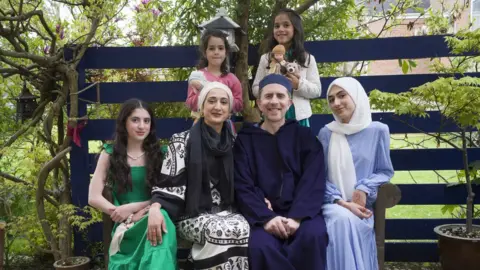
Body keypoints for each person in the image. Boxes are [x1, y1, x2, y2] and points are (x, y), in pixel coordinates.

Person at [149, 82, 249, 270]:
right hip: (191, 214)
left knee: (242, 228)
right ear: (202, 106)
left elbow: (245, 180)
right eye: (211, 101)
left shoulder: (235, 143)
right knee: (219, 231)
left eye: (223, 102)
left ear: (229, 110)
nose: (217, 107)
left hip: (227, 211)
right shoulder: (181, 140)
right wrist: (155, 207)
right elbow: (169, 183)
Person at [234, 74, 327, 270]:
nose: (274, 101)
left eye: (280, 96)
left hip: (302, 213)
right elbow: (242, 184)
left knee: (313, 236)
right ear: (259, 103)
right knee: (260, 246)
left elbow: (313, 180)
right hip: (262, 215)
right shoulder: (245, 141)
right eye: (268, 97)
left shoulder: (305, 137)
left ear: (289, 102)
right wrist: (266, 217)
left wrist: (296, 217)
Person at [88, 99, 177, 270]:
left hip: (156, 215)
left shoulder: (162, 154)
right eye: (135, 120)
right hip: (127, 225)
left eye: (146, 120)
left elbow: (169, 194)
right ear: (124, 123)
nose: (141, 126)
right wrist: (124, 214)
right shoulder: (110, 154)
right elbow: (93, 197)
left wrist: (140, 207)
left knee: (161, 221)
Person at [318, 77, 394, 270]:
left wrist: (364, 187)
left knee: (346, 220)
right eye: (331, 99)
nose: (336, 103)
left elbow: (384, 171)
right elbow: (318, 176)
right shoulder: (326, 133)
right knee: (340, 219)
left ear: (356, 96)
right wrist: (341, 202)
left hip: (361, 210)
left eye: (342, 96)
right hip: (331, 204)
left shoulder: (378, 131)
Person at [252, 8, 321, 127]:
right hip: (272, 116)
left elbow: (316, 91)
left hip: (299, 119)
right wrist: (269, 86)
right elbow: (255, 88)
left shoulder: (307, 59)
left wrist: (299, 84)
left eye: (286, 25)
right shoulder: (266, 58)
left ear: (295, 29)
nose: (281, 29)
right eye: (277, 26)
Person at [186, 29, 243, 127]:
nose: (216, 52)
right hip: (201, 127)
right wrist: (202, 92)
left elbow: (239, 105)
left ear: (226, 52)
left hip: (225, 127)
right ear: (205, 52)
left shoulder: (232, 79)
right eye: (212, 48)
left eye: (220, 48)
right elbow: (190, 103)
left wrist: (225, 100)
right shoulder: (197, 76)